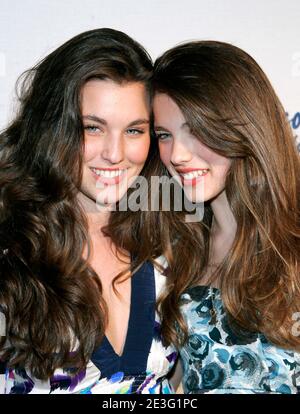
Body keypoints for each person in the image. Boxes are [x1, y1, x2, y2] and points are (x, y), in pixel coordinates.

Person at [0, 28, 176, 394]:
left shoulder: (169, 241)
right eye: (92, 128)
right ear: (53, 129)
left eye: (133, 131)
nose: (114, 154)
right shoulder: (11, 246)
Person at [152, 41, 300, 393]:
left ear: (243, 125)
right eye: (164, 135)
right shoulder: (176, 252)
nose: (178, 154)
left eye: (196, 130)